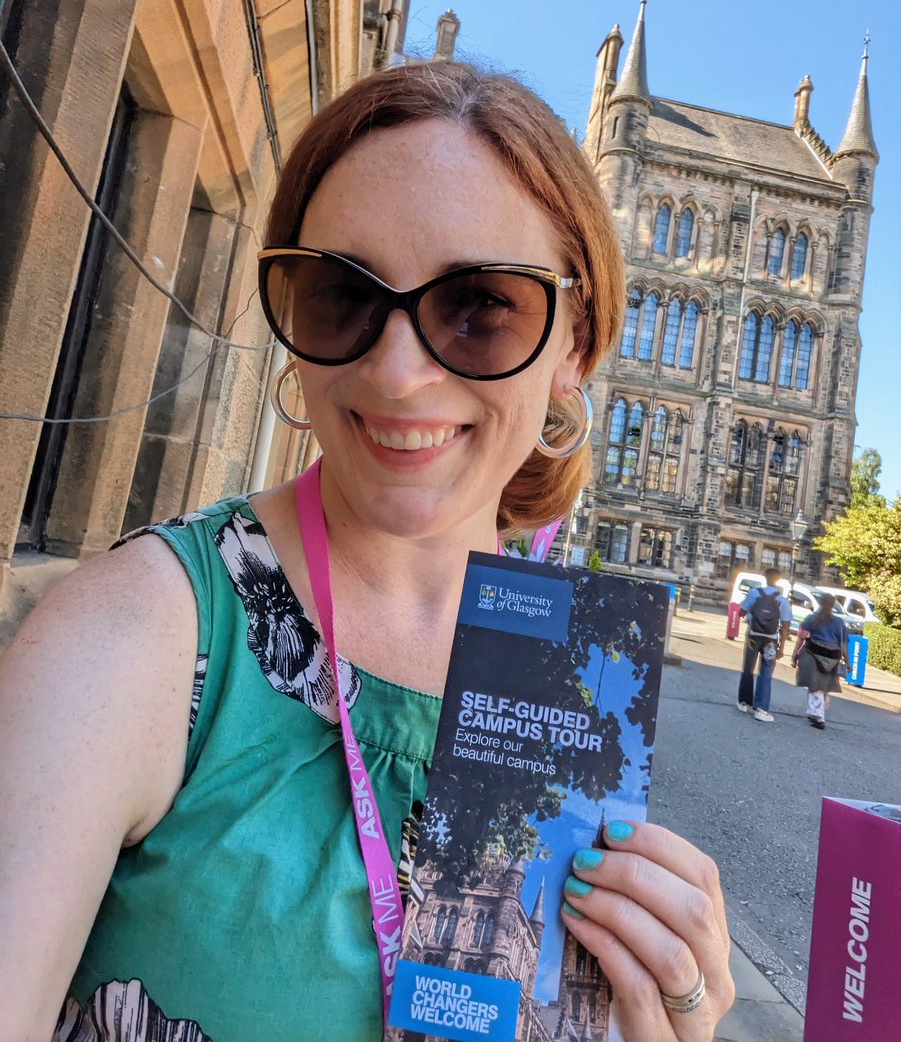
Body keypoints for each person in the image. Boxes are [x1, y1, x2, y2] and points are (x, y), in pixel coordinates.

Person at [0, 61, 734, 1041]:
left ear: (576, 342)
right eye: (341, 296)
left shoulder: (566, 675)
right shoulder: (139, 632)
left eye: (480, 305)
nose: (396, 373)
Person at [736, 568, 792, 722]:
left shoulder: (755, 593)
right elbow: (786, 626)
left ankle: (743, 702)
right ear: (778, 580)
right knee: (766, 672)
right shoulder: (782, 600)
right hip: (770, 640)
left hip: (753, 636)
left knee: (748, 668)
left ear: (765, 577)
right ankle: (761, 709)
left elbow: (741, 612)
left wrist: (751, 611)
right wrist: (782, 647)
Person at [791, 593, 851, 729]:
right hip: (832, 657)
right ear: (833, 605)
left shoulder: (812, 618)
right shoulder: (839, 623)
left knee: (814, 684)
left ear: (820, 603)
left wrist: (795, 655)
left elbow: (802, 637)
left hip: (813, 653)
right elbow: (844, 645)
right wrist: (848, 662)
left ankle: (818, 715)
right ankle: (817, 712)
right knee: (824, 686)